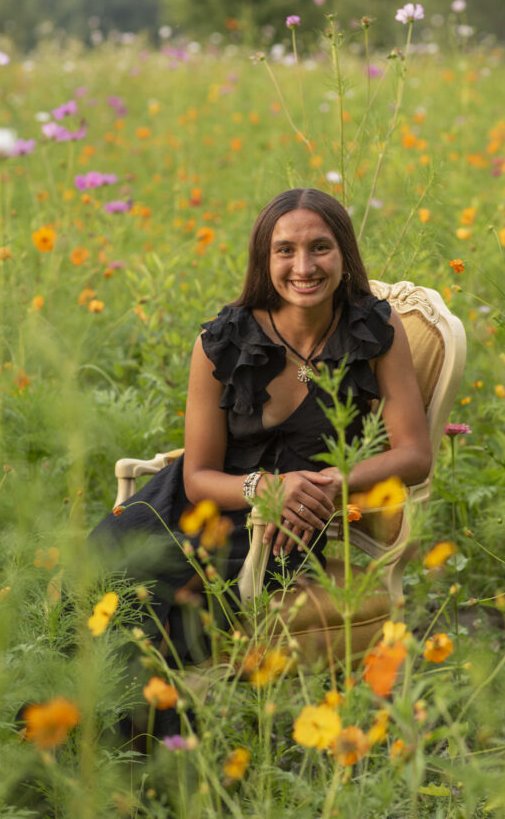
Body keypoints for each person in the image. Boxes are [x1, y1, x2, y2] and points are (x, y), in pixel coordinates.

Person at [90, 188, 431, 664]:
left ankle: (160, 732)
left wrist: (322, 485)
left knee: (172, 619)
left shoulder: (373, 329)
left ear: (345, 254)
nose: (304, 267)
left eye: (320, 247)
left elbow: (414, 454)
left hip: (286, 527)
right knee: (103, 588)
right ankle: (83, 730)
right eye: (285, 250)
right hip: (198, 506)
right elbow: (197, 476)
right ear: (263, 261)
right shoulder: (223, 341)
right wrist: (270, 488)